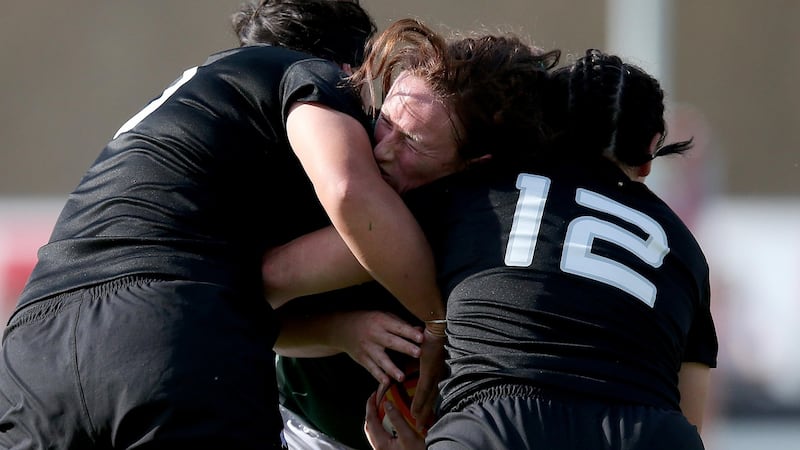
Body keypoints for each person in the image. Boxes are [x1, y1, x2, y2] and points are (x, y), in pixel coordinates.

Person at [0, 2, 447, 449]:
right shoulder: (313, 75)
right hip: (162, 329)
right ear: (354, 69)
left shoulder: (200, 109)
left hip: (33, 348)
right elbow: (349, 194)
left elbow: (265, 291)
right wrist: (436, 320)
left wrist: (337, 329)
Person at [269, 49, 718, 450]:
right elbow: (692, 422)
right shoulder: (684, 247)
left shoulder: (471, 194)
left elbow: (276, 281)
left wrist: (343, 330)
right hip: (649, 432)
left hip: (498, 423)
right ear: (647, 159)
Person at [262, 19, 560, 449]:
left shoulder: (498, 239)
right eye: (386, 122)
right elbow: (253, 303)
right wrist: (341, 331)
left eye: (412, 143)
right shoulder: (343, 169)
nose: (382, 150)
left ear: (474, 164)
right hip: (304, 429)